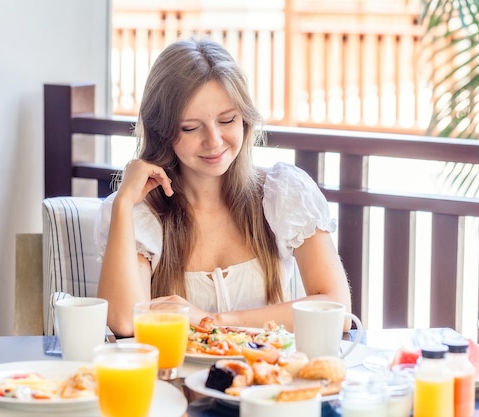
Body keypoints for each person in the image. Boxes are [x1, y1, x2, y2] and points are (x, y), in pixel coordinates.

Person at [95, 37, 351, 337]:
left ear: (244, 119)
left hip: (266, 381)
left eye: (227, 120)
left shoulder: (283, 193)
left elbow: (338, 311)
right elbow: (124, 323)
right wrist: (124, 203)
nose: (214, 141)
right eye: (190, 127)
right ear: (162, 131)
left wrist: (213, 320)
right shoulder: (142, 215)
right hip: (174, 382)